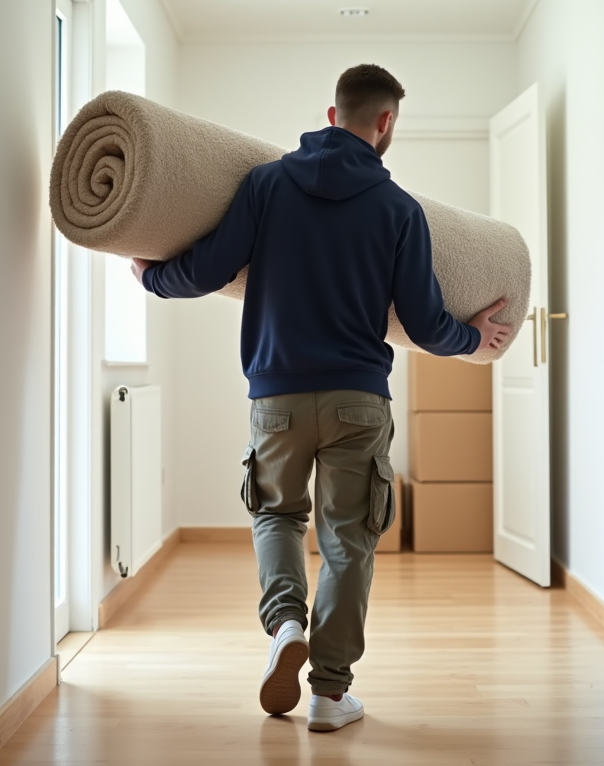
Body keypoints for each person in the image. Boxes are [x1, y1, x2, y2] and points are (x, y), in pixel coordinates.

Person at [131, 64, 511, 732]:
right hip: (357, 402)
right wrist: (473, 337)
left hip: (275, 394)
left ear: (331, 115)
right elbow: (424, 324)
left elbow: (214, 268)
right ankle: (330, 696)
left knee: (277, 517)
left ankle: (283, 625)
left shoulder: (267, 184)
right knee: (347, 542)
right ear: (385, 123)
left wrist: (152, 277)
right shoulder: (400, 210)